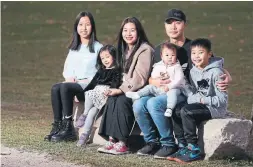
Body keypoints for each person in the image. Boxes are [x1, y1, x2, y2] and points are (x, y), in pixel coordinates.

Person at [133, 8, 232, 159]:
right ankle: (152, 142)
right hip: (161, 90)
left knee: (154, 104)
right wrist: (156, 81)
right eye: (169, 23)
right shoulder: (160, 48)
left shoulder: (193, 48)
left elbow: (214, 65)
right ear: (165, 26)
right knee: (138, 104)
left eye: (177, 23)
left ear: (184, 25)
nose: (173, 27)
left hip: (183, 93)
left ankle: (168, 144)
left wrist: (228, 76)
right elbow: (150, 78)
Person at [97, 17, 154, 155]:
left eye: (132, 30)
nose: (128, 34)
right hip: (123, 88)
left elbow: (140, 78)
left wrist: (120, 89)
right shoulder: (123, 50)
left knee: (122, 100)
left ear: (138, 32)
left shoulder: (145, 50)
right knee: (112, 99)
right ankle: (112, 139)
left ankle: (122, 142)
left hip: (138, 91)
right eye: (125, 30)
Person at [44, 11, 103, 142]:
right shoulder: (74, 48)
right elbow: (68, 69)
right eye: (81, 24)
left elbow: (100, 74)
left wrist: (77, 86)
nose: (84, 28)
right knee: (55, 88)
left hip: (90, 87)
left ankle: (69, 128)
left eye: (87, 24)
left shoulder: (99, 48)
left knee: (65, 88)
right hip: (74, 85)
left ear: (92, 27)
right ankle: (58, 125)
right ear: (76, 27)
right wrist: (69, 79)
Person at [169, 38, 228, 163]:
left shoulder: (217, 72)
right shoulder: (193, 71)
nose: (196, 56)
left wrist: (201, 99)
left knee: (186, 111)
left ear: (209, 54)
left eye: (200, 52)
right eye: (193, 53)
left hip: (215, 109)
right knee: (176, 110)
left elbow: (222, 100)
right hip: (199, 104)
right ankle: (183, 146)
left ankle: (193, 148)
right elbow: (194, 92)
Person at [75, 45, 122, 147]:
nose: (105, 60)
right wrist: (80, 95)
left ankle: (84, 113)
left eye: (107, 57)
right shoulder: (101, 71)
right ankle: (84, 135)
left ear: (114, 56)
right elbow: (92, 84)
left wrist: (110, 90)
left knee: (90, 95)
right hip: (96, 95)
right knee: (92, 112)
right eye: (102, 58)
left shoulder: (116, 71)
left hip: (105, 95)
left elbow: (115, 83)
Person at [126, 42, 186, 117]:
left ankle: (170, 108)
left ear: (176, 56)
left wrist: (169, 86)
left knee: (172, 94)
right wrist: (157, 79)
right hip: (160, 88)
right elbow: (153, 75)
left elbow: (179, 79)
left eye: (173, 55)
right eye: (167, 55)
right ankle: (138, 94)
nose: (170, 57)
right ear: (162, 56)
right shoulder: (158, 65)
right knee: (149, 87)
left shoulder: (177, 67)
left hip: (174, 88)